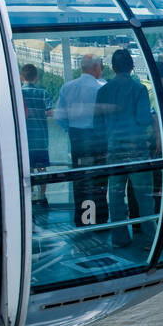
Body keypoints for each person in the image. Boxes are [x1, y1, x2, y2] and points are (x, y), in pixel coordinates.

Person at [97, 48, 156, 249]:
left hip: (114, 150)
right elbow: (143, 119)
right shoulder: (139, 89)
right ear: (131, 66)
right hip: (137, 150)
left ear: (112, 68)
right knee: (144, 198)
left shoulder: (103, 91)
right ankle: (150, 240)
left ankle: (120, 238)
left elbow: (99, 123)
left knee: (115, 196)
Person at [54, 54, 107, 227]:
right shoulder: (101, 87)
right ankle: (99, 219)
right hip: (97, 137)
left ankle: (83, 218)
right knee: (98, 180)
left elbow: (59, 115)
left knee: (81, 179)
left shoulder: (67, 87)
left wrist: (69, 129)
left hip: (77, 137)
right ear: (95, 67)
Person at [20, 64, 52, 208]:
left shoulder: (19, 94)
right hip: (41, 138)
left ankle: (30, 196)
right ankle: (42, 195)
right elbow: (50, 112)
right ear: (36, 77)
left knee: (28, 170)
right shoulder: (43, 93)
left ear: (21, 78)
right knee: (42, 169)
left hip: (25, 139)